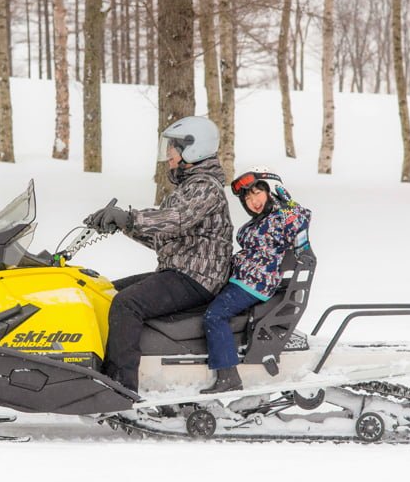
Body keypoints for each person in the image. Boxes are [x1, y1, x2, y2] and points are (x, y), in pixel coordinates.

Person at [85, 116, 233, 392]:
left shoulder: (205, 187)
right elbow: (164, 236)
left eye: (172, 148)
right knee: (105, 293)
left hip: (198, 278)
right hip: (181, 271)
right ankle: (96, 369)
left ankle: (120, 387)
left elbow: (177, 219)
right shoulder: (188, 187)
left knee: (126, 304)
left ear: (193, 149)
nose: (168, 156)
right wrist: (122, 226)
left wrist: (129, 217)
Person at [200, 169, 311, 394]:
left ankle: (228, 375)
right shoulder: (259, 222)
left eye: (257, 193)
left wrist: (288, 203)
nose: (253, 201)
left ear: (269, 191)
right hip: (242, 279)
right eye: (247, 199)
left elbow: (300, 221)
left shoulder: (280, 217)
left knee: (215, 315)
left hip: (256, 283)